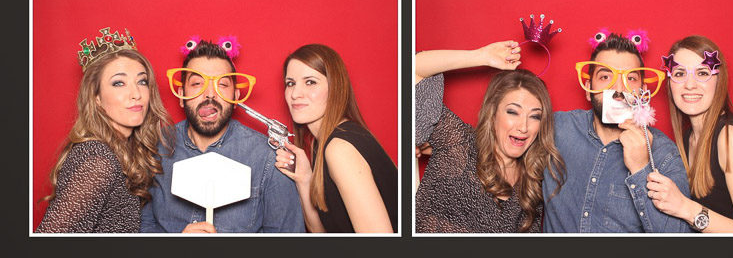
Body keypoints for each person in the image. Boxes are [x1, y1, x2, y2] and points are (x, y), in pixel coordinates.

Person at [140, 39, 304, 233]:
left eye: (222, 84)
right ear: (181, 95)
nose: (210, 94)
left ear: (236, 97)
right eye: (197, 83)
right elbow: (142, 230)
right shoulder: (153, 148)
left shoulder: (268, 158)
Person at [543, 30, 692, 232]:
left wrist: (641, 169)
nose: (619, 89)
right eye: (605, 76)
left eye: (631, 78)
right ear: (588, 89)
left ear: (643, 91)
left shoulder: (664, 154)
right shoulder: (556, 129)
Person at [414, 41, 565, 232]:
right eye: (513, 112)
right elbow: (413, 70)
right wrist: (481, 56)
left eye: (535, 116)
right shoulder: (460, 144)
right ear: (493, 114)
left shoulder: (532, 183)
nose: (523, 127)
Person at [37, 30, 173, 232]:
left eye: (142, 81)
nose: (136, 94)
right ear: (97, 98)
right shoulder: (97, 160)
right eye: (119, 83)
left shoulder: (123, 153)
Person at [643, 35, 733, 232]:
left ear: (719, 81)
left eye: (702, 73)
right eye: (680, 74)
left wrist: (684, 207)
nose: (690, 85)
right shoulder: (687, 139)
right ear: (670, 83)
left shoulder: (731, 138)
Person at [272, 44, 397, 232]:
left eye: (310, 82)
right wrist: (305, 179)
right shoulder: (323, 143)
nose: (295, 94)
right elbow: (321, 232)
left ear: (336, 87)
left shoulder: (340, 148)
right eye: (290, 83)